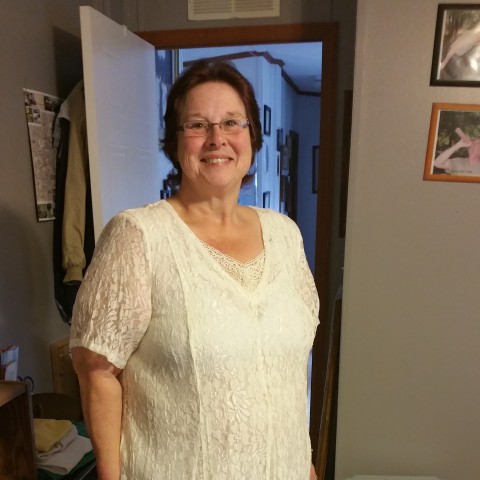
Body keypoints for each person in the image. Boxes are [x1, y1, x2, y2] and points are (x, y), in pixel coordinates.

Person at [70, 59, 320, 480]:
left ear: (252, 136)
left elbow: (288, 375)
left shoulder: (285, 234)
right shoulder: (139, 235)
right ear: (175, 141)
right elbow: (96, 371)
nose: (217, 138)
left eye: (232, 122)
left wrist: (305, 465)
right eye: (198, 125)